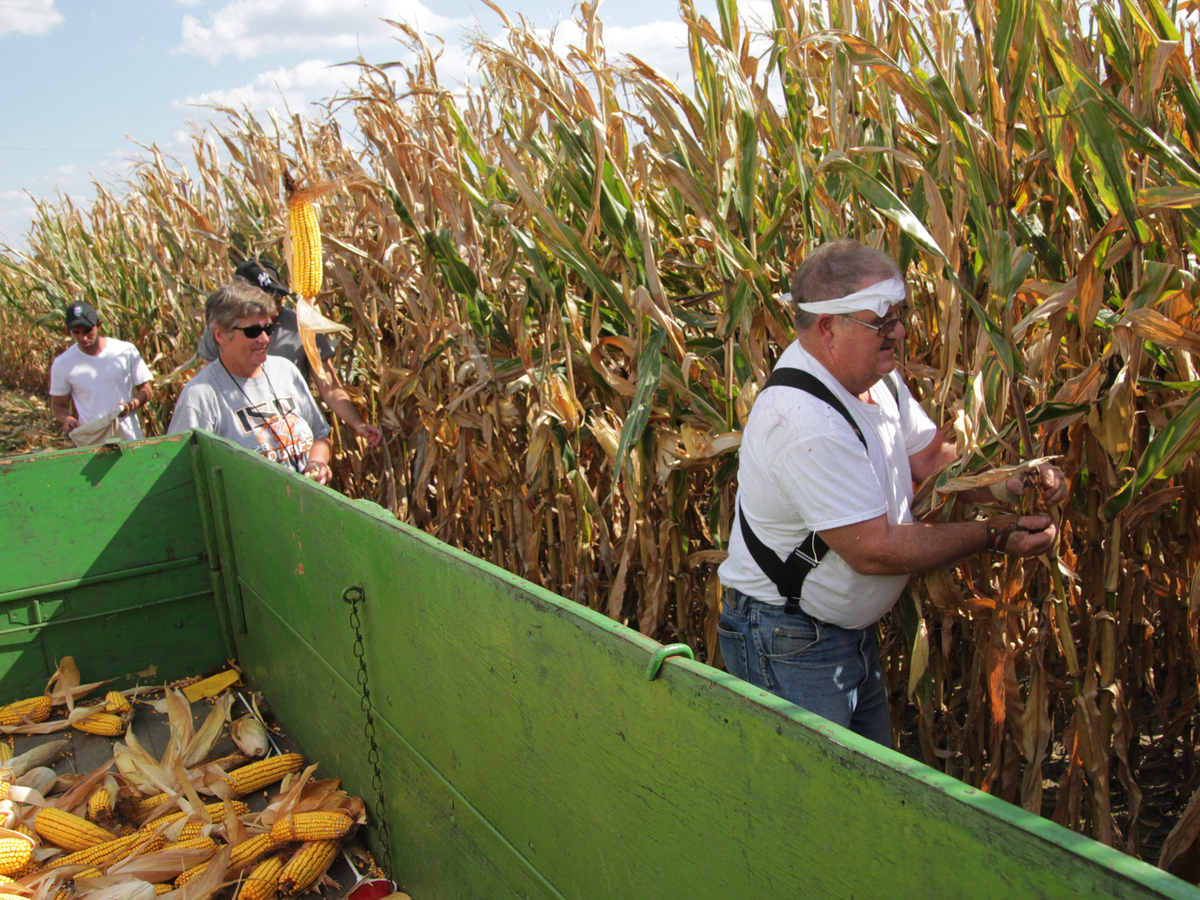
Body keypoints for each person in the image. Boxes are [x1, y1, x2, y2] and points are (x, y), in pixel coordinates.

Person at [716, 239, 1067, 746]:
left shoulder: (873, 378)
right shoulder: (804, 421)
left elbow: (929, 460)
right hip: (787, 640)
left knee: (861, 792)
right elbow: (874, 551)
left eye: (899, 315)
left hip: (838, 635)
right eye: (880, 320)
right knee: (810, 807)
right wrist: (994, 533)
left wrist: (1014, 484)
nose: (899, 331)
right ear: (827, 327)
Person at [197, 258, 382, 447]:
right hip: (243, 438)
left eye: (278, 300)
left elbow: (329, 386)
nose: (274, 309)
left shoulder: (301, 326)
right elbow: (210, 383)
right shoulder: (225, 331)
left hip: (290, 437)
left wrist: (357, 422)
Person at [170, 281, 334, 484]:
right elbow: (183, 472)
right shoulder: (200, 396)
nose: (264, 339)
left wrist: (317, 463)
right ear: (220, 335)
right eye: (252, 332)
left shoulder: (285, 371)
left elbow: (320, 435)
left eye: (268, 328)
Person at [49, 300, 153, 445]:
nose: (82, 338)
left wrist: (131, 405)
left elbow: (146, 389)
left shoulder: (125, 351)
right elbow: (57, 405)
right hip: (93, 441)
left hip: (129, 436)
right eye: (76, 333)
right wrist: (68, 420)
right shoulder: (63, 363)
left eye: (87, 331)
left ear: (98, 325)